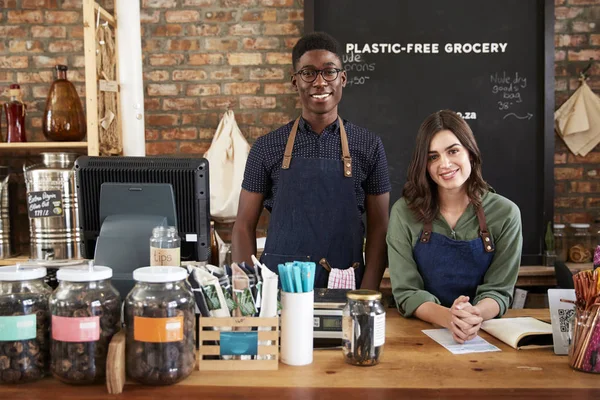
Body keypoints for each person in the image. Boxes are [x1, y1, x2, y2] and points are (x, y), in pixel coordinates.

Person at [232, 32, 391, 290]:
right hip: (279, 289)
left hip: (345, 285)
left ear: (343, 78)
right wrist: (247, 291)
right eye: (308, 73)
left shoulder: (369, 145)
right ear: (295, 81)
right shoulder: (266, 147)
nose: (319, 82)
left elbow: (380, 229)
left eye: (329, 72)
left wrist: (367, 294)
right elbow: (243, 226)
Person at [387, 110, 522, 343]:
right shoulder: (403, 212)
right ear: (424, 165)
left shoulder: (506, 213)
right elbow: (406, 291)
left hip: (480, 334)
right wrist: (448, 317)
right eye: (433, 157)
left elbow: (499, 290)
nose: (445, 164)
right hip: (417, 336)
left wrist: (473, 316)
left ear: (470, 151)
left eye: (453, 151)